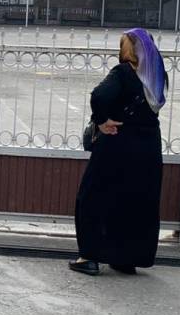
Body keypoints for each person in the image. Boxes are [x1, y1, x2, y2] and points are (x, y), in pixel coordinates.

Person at [70, 29, 168, 277]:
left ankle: (89, 256)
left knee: (94, 196)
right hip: (148, 146)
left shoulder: (123, 73)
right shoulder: (157, 76)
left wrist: (101, 121)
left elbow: (99, 96)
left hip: (118, 141)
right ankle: (126, 257)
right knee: (136, 201)